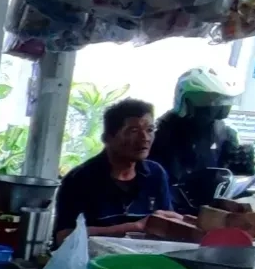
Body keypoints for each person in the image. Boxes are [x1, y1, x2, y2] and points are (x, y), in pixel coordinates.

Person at [52, 98, 176, 241]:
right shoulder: (80, 179)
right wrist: (133, 227)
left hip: (142, 260)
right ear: (108, 138)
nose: (145, 137)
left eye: (150, 130)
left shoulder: (156, 174)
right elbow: (63, 237)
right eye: (133, 131)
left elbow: (166, 224)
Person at [151, 66, 255, 210]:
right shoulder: (161, 133)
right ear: (188, 101)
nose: (219, 109)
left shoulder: (224, 133)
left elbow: (228, 183)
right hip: (166, 212)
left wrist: (243, 170)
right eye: (213, 102)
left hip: (207, 212)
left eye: (224, 103)